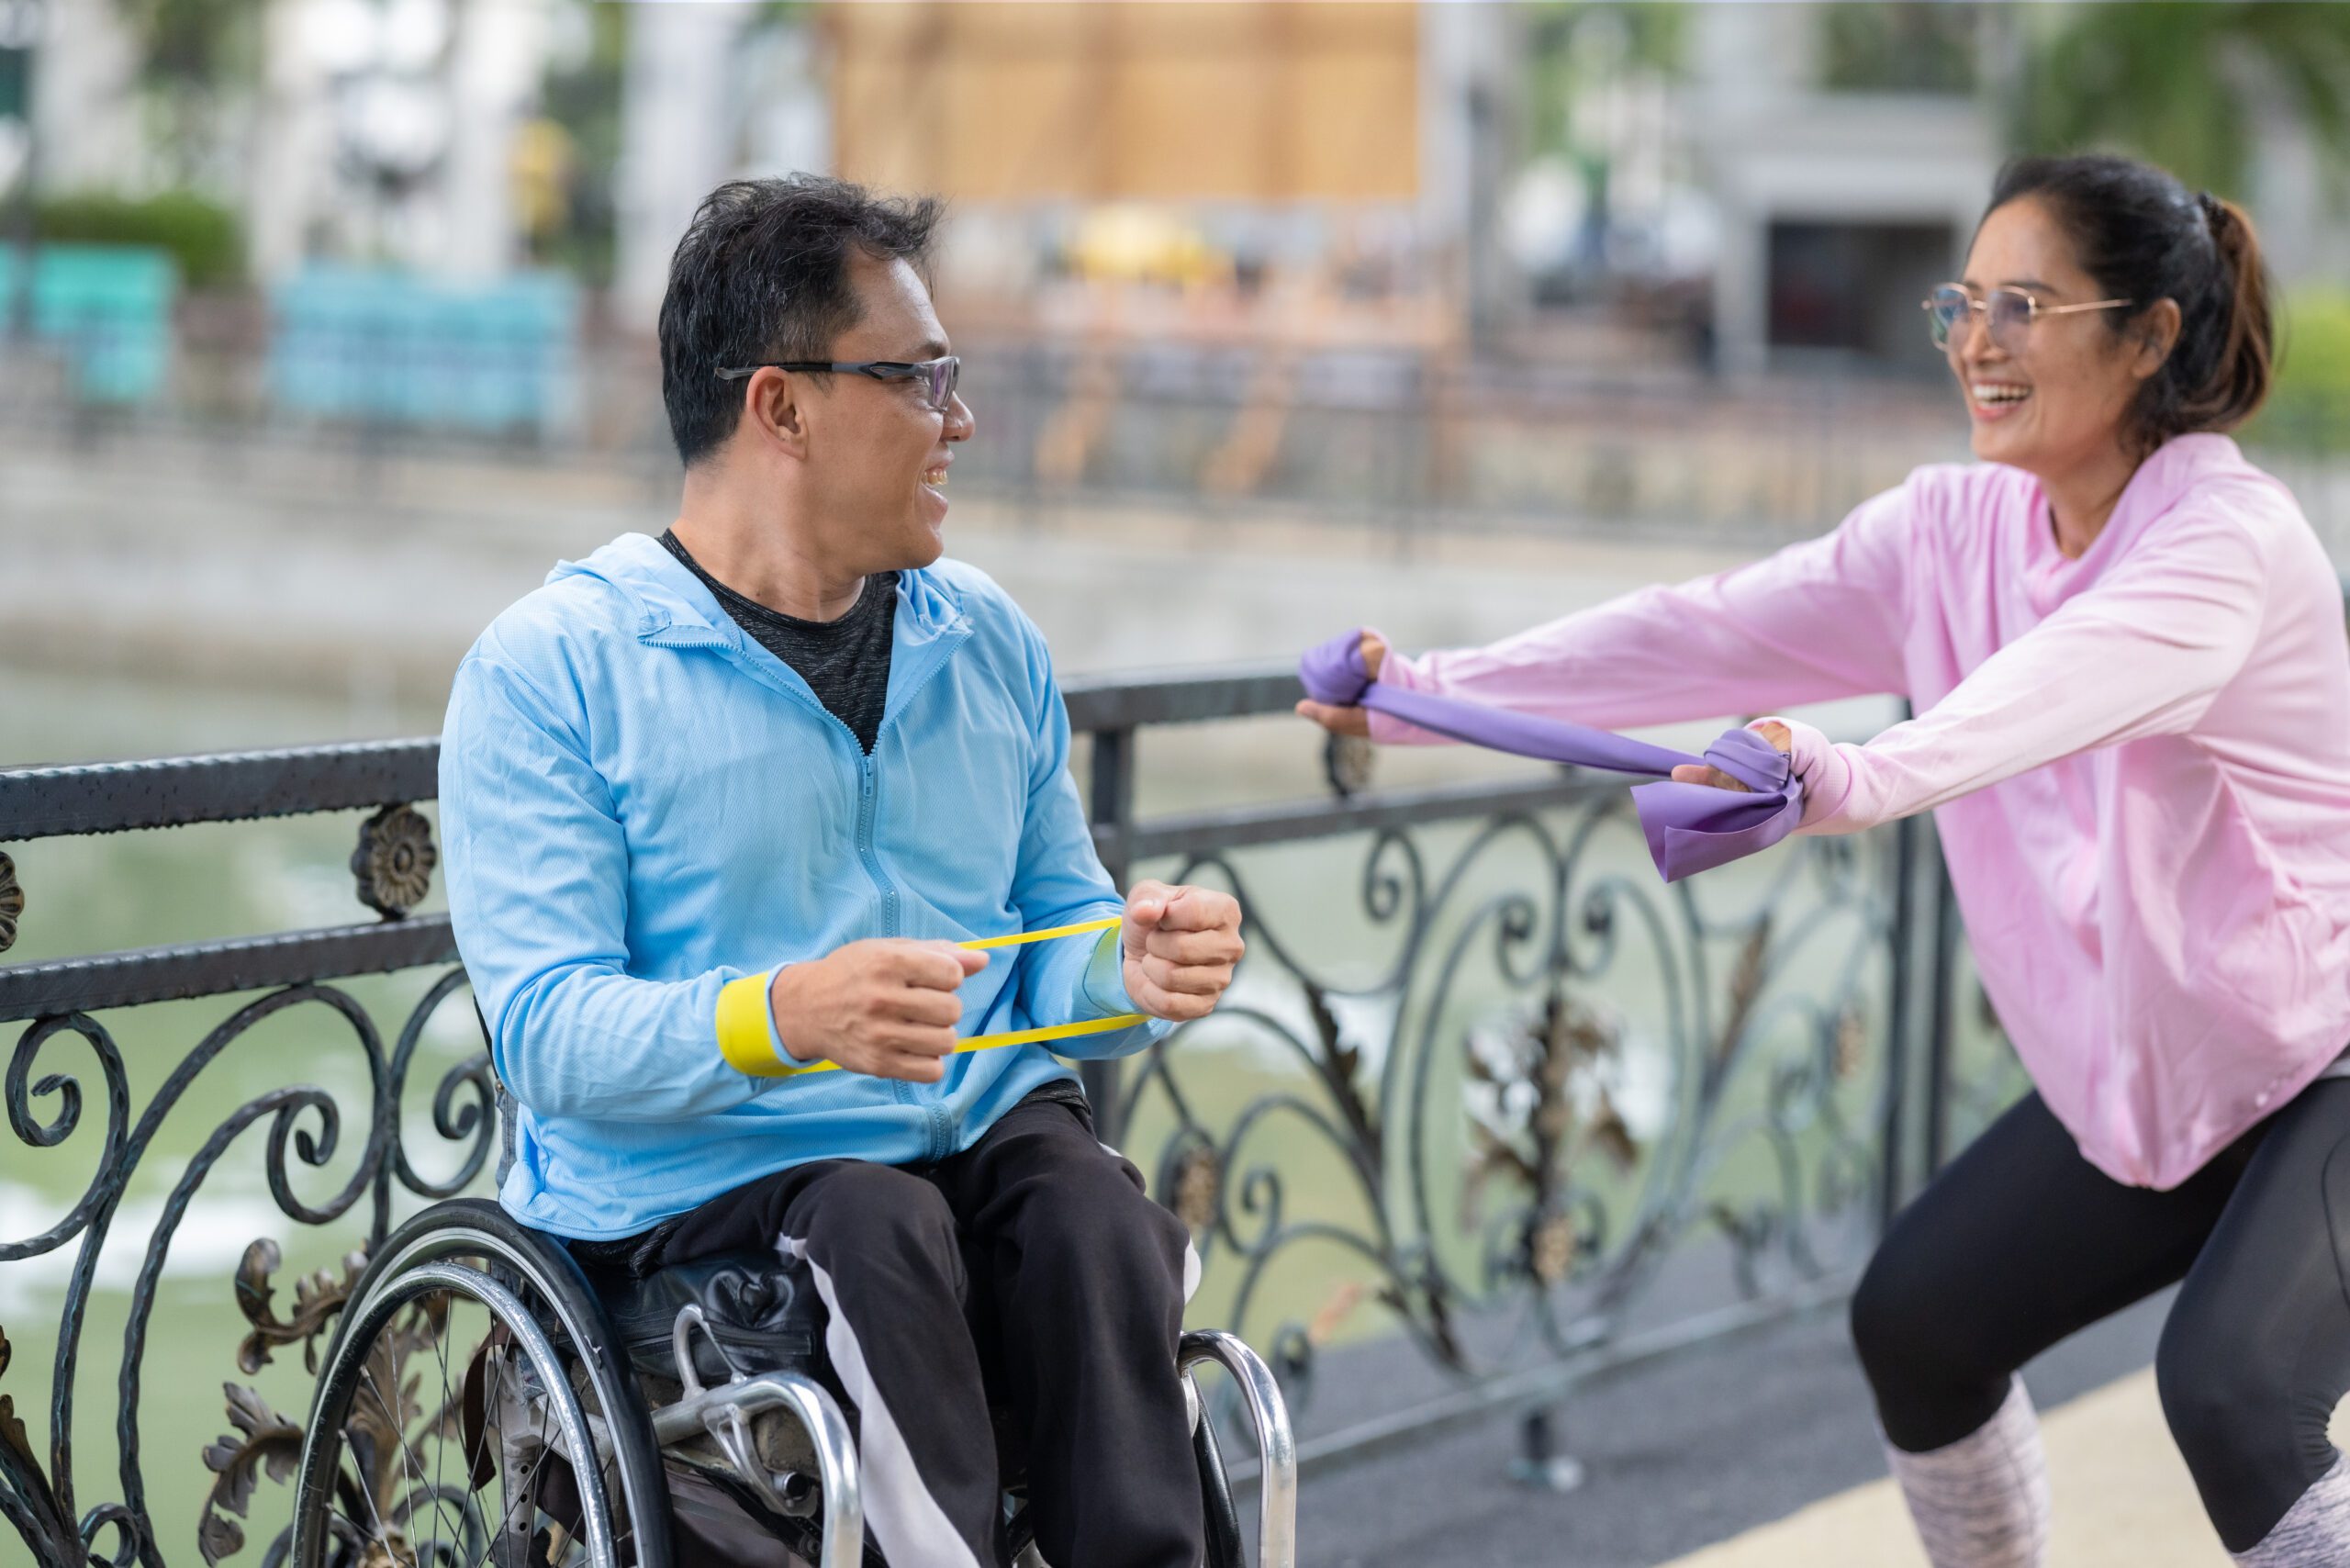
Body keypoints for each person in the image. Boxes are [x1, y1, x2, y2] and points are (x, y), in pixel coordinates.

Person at [1299, 153, 2350, 1568]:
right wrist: (1423, 693)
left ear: (2150, 333)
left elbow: (2052, 690)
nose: (1978, 342)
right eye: (1962, 303)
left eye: (2025, 305)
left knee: (2233, 1393)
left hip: (2328, 1061)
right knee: (1918, 1322)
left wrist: (1854, 774)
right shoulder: (1946, 533)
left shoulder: (2228, 542)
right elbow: (1700, 632)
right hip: (2176, 1070)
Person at [439, 174, 1246, 1568]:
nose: (962, 420)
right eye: (921, 379)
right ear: (782, 407)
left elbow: (1052, 924)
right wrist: (788, 1016)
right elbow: (548, 1035)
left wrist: (1125, 960)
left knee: (1095, 1215)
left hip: (967, 1155)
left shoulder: (985, 639)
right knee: (871, 1226)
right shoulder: (552, 671)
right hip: (702, 1200)